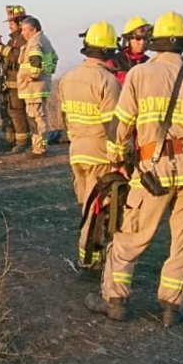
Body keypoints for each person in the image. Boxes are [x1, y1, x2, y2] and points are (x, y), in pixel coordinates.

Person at [85, 11, 183, 327]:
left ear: (154, 43)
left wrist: (117, 158)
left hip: (152, 173)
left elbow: (120, 126)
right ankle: (173, 306)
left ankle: (115, 300)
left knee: (130, 236)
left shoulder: (138, 76)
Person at [60, 21, 121, 266]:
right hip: (100, 153)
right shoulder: (108, 82)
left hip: (77, 151)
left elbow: (65, 117)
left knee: (86, 203)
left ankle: (92, 255)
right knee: (97, 208)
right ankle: (90, 259)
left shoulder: (68, 78)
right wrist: (121, 157)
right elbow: (112, 126)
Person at [16, 15, 58, 158]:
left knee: (36, 118)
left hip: (33, 88)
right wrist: (47, 74)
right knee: (39, 116)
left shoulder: (35, 42)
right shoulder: (44, 40)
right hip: (40, 86)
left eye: (24, 30)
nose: (22, 33)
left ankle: (39, 149)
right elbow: (54, 58)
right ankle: (39, 146)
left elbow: (35, 61)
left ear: (33, 30)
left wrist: (31, 77)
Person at [0, 5, 29, 151]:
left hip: (19, 83)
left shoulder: (23, 39)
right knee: (9, 111)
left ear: (20, 23)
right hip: (10, 83)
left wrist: (3, 49)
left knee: (18, 112)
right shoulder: (13, 40)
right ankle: (11, 139)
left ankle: (22, 142)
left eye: (11, 23)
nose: (9, 26)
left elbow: (17, 56)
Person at [107, 16, 151, 85]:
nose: (142, 42)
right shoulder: (114, 62)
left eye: (145, 38)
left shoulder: (150, 63)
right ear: (128, 39)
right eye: (138, 39)